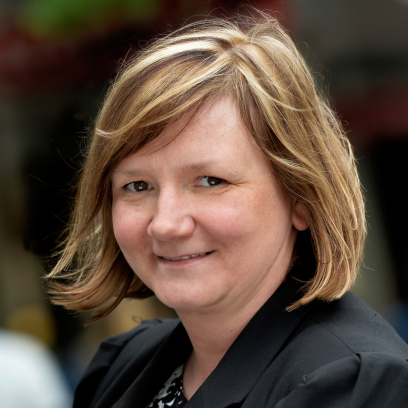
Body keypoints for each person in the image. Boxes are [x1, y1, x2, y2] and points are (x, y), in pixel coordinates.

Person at [47, 12, 408, 408]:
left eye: (210, 181)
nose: (166, 224)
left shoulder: (353, 385)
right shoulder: (121, 370)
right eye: (137, 186)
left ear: (301, 197)